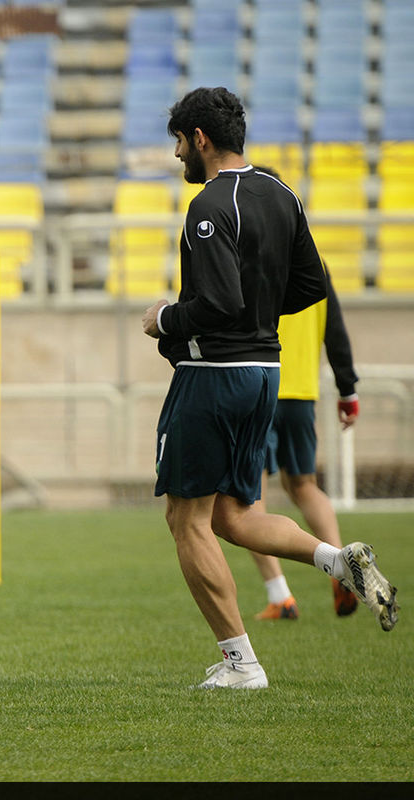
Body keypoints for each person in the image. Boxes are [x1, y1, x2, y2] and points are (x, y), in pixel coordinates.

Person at [141, 87, 398, 690]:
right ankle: (339, 560)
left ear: (199, 139)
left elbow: (219, 301)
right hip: (266, 373)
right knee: (233, 514)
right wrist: (257, 314)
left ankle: (242, 664)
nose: (179, 154)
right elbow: (313, 284)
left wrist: (166, 319)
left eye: (179, 142)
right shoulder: (282, 193)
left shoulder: (209, 204)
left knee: (186, 520)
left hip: (214, 377)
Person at [240, 167, 360, 620]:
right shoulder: (314, 262)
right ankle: (341, 569)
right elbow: (337, 332)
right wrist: (347, 389)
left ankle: (279, 595)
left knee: (249, 497)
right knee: (305, 485)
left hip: (258, 385)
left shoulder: (247, 254)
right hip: (303, 391)